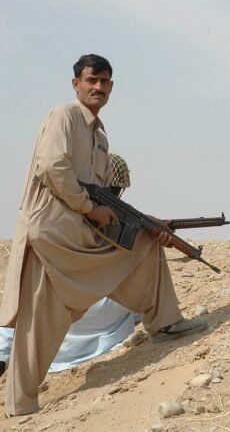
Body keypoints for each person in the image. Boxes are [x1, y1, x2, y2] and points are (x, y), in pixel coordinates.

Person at [0, 54, 207, 417]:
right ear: (76, 84)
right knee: (41, 317)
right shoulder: (64, 115)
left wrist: (144, 220)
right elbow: (52, 167)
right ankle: (20, 406)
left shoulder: (99, 134)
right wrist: (89, 207)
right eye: (92, 80)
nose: (98, 87)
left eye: (105, 81)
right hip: (52, 233)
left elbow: (102, 196)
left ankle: (165, 322)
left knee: (144, 239)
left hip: (80, 232)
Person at [0, 154, 137, 377]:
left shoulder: (51, 229)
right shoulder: (119, 239)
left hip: (54, 356)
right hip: (107, 345)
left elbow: (16, 311)